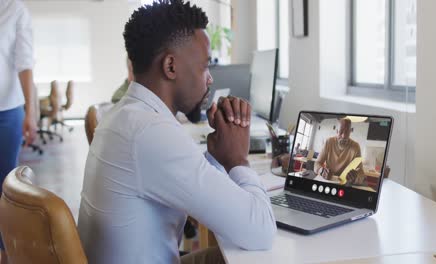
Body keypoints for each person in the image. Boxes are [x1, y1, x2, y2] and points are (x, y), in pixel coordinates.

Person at [77, 1, 276, 263]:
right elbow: (261, 232)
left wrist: (216, 156)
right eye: (205, 66)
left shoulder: (127, 115)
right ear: (171, 66)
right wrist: (238, 160)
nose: (210, 79)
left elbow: (191, 183)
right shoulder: (150, 132)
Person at [0, 0, 37, 263]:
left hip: (7, 112)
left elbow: (24, 64)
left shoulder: (15, 10)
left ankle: (5, 252)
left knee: (4, 187)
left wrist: (31, 112)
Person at [313, 118, 365, 185]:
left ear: (350, 132)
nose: (343, 136)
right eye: (341, 132)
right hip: (328, 180)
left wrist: (356, 177)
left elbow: (361, 172)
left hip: (344, 183)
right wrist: (321, 171)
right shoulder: (329, 142)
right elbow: (317, 163)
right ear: (337, 131)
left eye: (346, 132)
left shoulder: (355, 147)